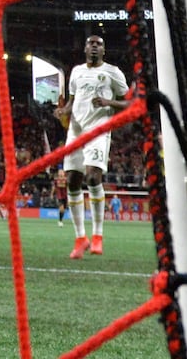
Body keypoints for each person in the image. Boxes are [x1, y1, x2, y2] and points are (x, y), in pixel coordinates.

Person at [57, 34, 130, 259]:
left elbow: (131, 102)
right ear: (85, 48)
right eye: (91, 44)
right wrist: (64, 111)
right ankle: (81, 238)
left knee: (93, 178)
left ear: (104, 50)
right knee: (71, 181)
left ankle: (98, 235)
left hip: (98, 131)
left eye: (99, 44)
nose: (95, 47)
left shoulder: (113, 73)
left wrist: (110, 103)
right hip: (76, 131)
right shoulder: (76, 72)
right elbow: (72, 100)